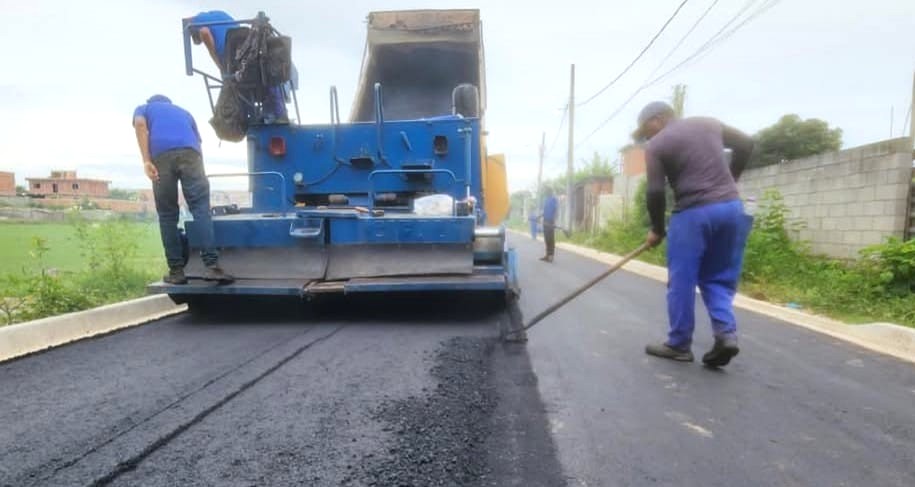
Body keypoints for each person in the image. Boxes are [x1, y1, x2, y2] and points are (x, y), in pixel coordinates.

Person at [634, 101, 754, 367]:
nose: (647, 136)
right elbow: (746, 144)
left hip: (693, 213)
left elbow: (654, 192)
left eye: (647, 129)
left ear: (659, 118)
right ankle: (726, 335)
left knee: (682, 280)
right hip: (731, 209)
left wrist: (657, 229)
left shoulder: (657, 144)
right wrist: (731, 180)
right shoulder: (708, 123)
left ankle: (678, 344)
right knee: (718, 278)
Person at [132, 95, 234, 285]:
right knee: (201, 210)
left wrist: (146, 161)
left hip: (161, 156)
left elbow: (139, 125)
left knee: (168, 215)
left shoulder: (143, 108)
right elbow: (198, 143)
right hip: (191, 155)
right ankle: (212, 267)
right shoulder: (184, 113)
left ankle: (177, 272)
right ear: (168, 103)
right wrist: (199, 174)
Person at [188, 10, 289, 123]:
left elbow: (204, 32)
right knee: (263, 77)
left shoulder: (196, 24)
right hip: (248, 55)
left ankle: (248, 116)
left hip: (229, 57)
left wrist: (216, 59)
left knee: (235, 83)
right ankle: (278, 113)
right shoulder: (221, 14)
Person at [540, 187, 559, 262]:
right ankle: (547, 255)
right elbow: (545, 211)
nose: (546, 193)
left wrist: (554, 221)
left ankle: (551, 256)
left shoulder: (553, 199)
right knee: (546, 238)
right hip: (545, 220)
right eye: (545, 191)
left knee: (550, 239)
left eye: (547, 191)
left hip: (550, 221)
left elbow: (556, 210)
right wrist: (540, 216)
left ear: (550, 192)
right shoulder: (546, 200)